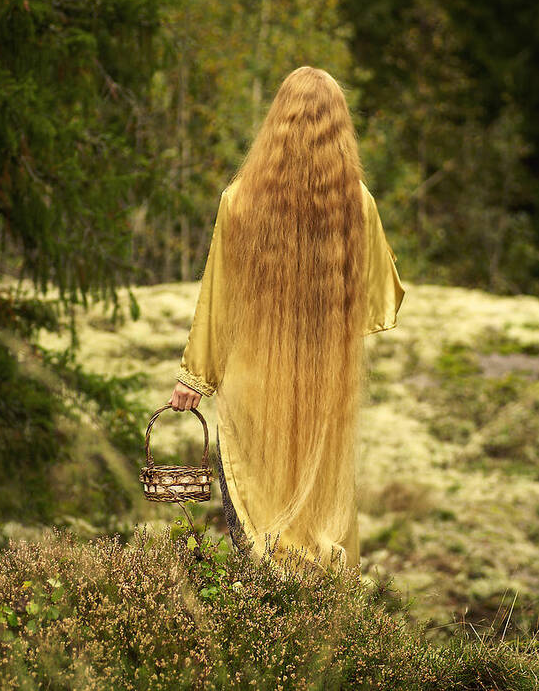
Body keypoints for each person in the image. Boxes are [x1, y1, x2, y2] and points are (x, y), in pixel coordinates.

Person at [168, 66, 405, 575]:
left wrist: (194, 377)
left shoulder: (238, 202)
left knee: (253, 535)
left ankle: (262, 640)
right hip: (324, 391)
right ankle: (316, 641)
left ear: (276, 122)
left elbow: (218, 298)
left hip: (252, 390)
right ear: (341, 129)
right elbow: (379, 297)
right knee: (318, 521)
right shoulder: (358, 205)